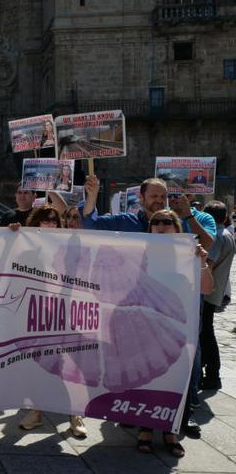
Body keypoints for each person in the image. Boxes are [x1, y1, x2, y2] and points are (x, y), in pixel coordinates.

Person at [135, 209, 214, 458]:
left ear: (177, 228)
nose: (160, 225)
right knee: (148, 376)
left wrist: (201, 262)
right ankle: (145, 427)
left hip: (178, 328)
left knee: (175, 380)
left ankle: (170, 429)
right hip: (147, 326)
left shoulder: (190, 254)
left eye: (166, 222)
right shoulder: (139, 252)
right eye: (155, 222)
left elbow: (207, 288)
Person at [14, 207, 87, 438]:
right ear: (36, 221)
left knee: (70, 364)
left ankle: (75, 414)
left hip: (66, 309)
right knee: (40, 364)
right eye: (45, 220)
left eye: (55, 220)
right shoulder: (24, 243)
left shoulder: (69, 244)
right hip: (37, 311)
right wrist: (11, 234)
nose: (50, 224)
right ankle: (36, 411)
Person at [81, 176, 215, 251]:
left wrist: (189, 216)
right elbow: (90, 225)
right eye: (154, 196)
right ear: (141, 197)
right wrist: (92, 196)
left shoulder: (176, 224)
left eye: (163, 197)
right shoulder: (124, 222)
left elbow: (205, 246)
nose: (159, 200)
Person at [199, 201, 235, 390]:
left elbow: (208, 264)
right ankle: (211, 372)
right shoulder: (228, 234)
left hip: (207, 293)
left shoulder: (217, 237)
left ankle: (212, 374)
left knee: (206, 333)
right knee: (207, 332)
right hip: (216, 291)